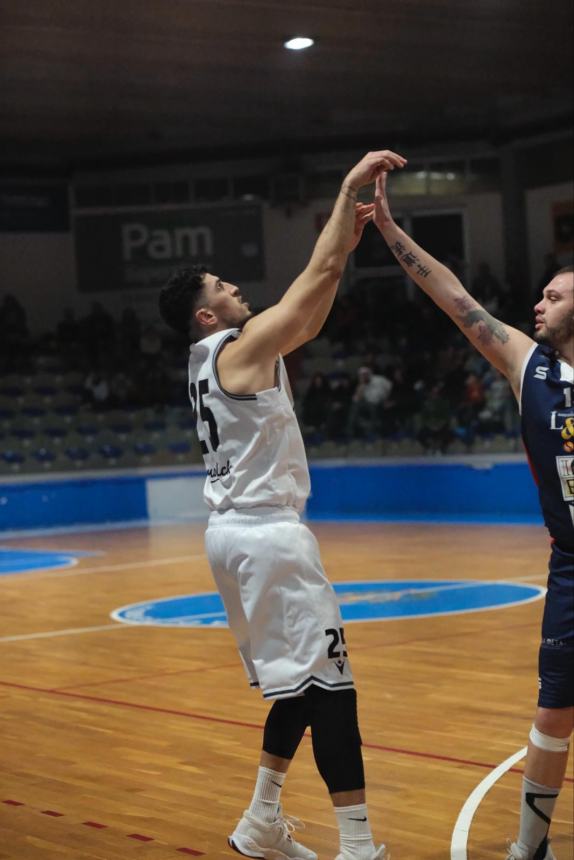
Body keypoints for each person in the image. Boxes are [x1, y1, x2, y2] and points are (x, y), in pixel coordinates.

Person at [158, 149, 407, 860]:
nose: (237, 289)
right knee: (333, 689)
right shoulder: (232, 349)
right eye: (224, 286)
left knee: (295, 687)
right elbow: (310, 288)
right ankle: (358, 847)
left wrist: (341, 252)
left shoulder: (213, 361)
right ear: (209, 313)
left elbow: (307, 318)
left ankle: (260, 820)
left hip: (233, 535)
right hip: (267, 536)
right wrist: (344, 196)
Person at [372, 169, 573, 860]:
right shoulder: (529, 366)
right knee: (552, 711)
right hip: (572, 567)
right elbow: (456, 299)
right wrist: (392, 232)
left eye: (554, 296)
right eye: (541, 294)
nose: (538, 304)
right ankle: (531, 847)